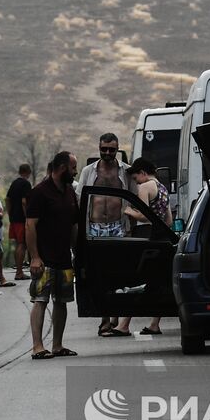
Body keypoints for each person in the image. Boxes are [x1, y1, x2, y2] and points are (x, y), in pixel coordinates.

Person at [78, 132, 134, 337]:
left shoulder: (126, 172)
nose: (108, 153)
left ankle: (116, 319)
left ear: (118, 149)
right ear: (99, 148)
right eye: (104, 149)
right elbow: (80, 201)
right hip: (95, 228)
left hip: (119, 226)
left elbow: (134, 199)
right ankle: (104, 321)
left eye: (112, 149)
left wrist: (131, 229)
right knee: (99, 275)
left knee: (118, 274)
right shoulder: (88, 172)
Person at [26, 151, 79, 359]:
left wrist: (77, 251)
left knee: (62, 301)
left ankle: (57, 345)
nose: (75, 172)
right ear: (63, 168)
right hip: (44, 259)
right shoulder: (40, 192)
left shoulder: (69, 192)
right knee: (41, 300)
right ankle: (37, 346)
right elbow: (30, 226)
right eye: (73, 168)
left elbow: (74, 225)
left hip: (64, 258)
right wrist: (35, 257)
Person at [117, 158, 170, 336]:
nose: (136, 182)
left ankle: (123, 325)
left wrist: (127, 210)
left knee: (137, 280)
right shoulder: (163, 188)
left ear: (143, 173)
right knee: (158, 283)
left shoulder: (145, 187)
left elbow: (144, 215)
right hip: (162, 238)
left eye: (136, 177)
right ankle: (154, 324)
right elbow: (168, 220)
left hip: (148, 236)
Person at [6, 163, 33, 280]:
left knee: (18, 244)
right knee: (22, 245)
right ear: (28, 172)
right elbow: (24, 202)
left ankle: (18, 270)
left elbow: (7, 199)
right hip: (22, 219)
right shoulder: (26, 184)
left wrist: (10, 214)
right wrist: (27, 217)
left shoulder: (14, 183)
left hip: (14, 219)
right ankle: (19, 272)